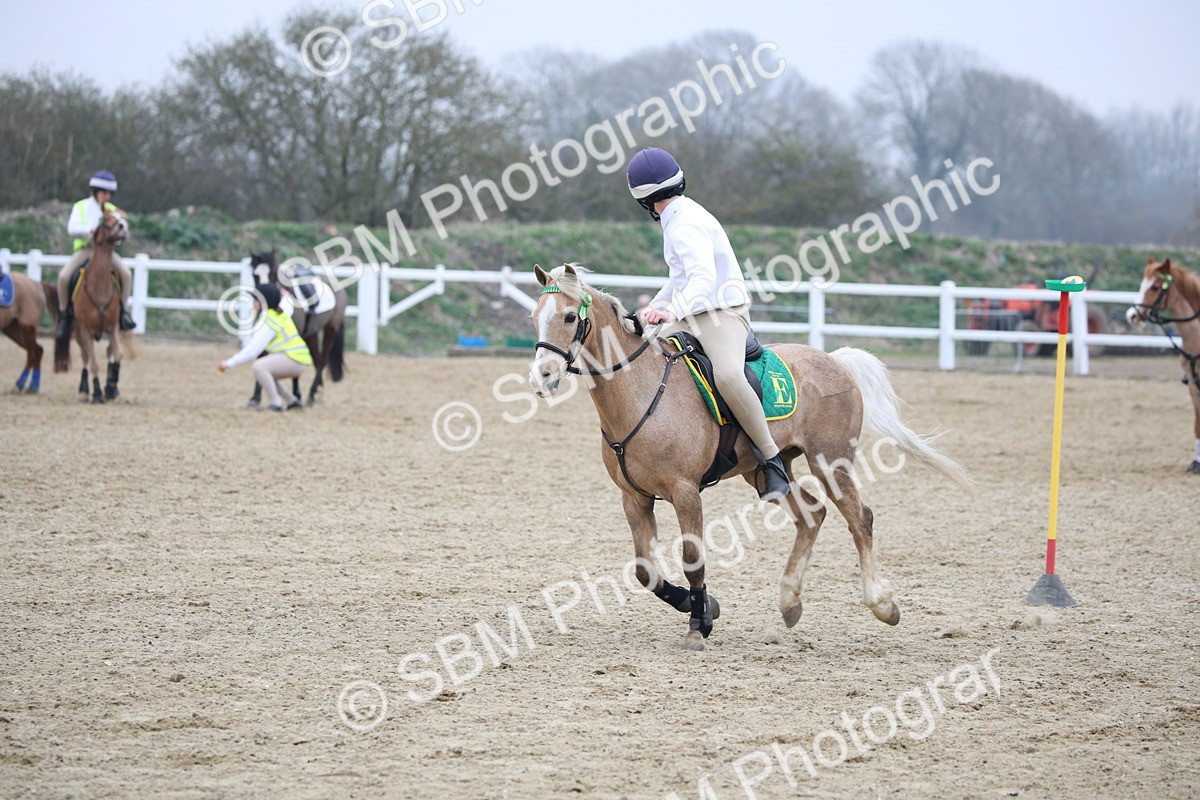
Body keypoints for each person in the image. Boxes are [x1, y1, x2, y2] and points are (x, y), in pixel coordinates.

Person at [627, 146, 790, 500]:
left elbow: (702, 277)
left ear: (642, 199)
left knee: (728, 376)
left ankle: (771, 459)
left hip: (722, 313)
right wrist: (651, 310)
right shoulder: (677, 216)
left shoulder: (684, 223)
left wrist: (671, 312)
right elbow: (679, 277)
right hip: (691, 312)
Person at [56, 170, 136, 337]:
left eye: (109, 194)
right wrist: (90, 230)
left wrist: (122, 233)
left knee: (126, 274)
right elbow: (71, 229)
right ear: (95, 191)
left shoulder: (112, 210)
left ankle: (123, 312)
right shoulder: (81, 207)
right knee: (64, 277)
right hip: (86, 250)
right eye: (104, 193)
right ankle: (64, 316)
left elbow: (121, 231)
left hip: (106, 252)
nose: (107, 197)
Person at [218, 284, 312, 411]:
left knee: (259, 367)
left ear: (264, 302)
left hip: (294, 359)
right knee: (266, 372)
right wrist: (285, 295)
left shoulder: (267, 322)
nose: (253, 304)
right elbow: (288, 303)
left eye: (256, 300)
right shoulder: (280, 311)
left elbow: (253, 351)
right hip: (299, 358)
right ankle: (291, 401)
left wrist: (229, 363)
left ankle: (275, 403)